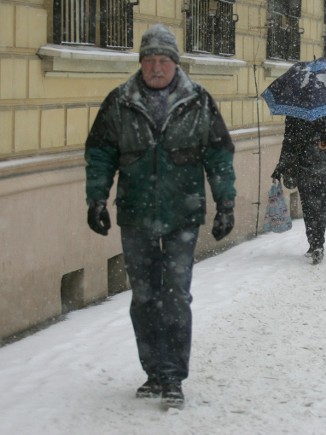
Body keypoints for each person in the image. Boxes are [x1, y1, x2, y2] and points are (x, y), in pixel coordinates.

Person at [84, 24, 236, 409]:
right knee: (144, 297)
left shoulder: (199, 101)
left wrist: (226, 204)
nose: (155, 67)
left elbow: (218, 155)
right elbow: (101, 153)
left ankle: (173, 377)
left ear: (175, 64)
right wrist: (97, 199)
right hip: (136, 217)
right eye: (149, 60)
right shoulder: (119, 101)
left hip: (182, 216)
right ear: (140, 63)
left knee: (176, 298)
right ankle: (153, 372)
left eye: (163, 60)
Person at [271, 114, 326, 265]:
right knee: (311, 208)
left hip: (321, 169)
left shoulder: (325, 112)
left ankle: (317, 244)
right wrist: (280, 167)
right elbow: (289, 143)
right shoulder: (295, 115)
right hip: (305, 169)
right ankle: (315, 243)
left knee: (315, 207)